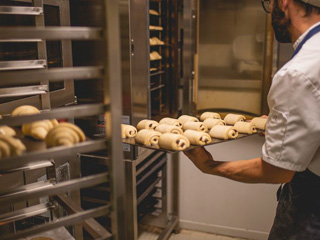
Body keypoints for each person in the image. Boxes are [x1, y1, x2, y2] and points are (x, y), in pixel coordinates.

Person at [184, 0, 320, 239]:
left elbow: (277, 171)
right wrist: (284, 129)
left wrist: (211, 166)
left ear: (285, 2)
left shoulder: (297, 73)